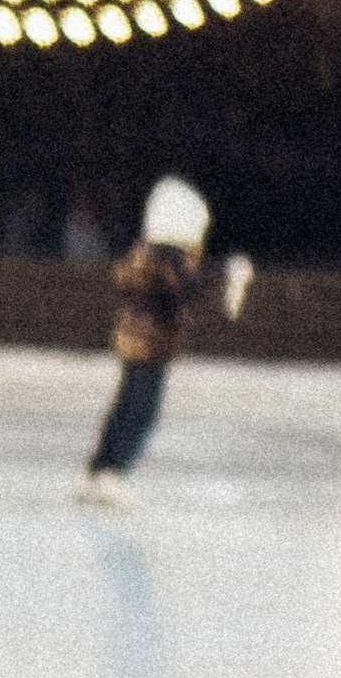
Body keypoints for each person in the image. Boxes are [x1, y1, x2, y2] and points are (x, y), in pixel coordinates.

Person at [77, 176, 253, 503]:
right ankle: (111, 471)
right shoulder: (166, 255)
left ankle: (99, 468)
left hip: (139, 340)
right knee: (140, 409)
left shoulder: (147, 250)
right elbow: (188, 285)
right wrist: (224, 270)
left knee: (126, 404)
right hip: (149, 343)